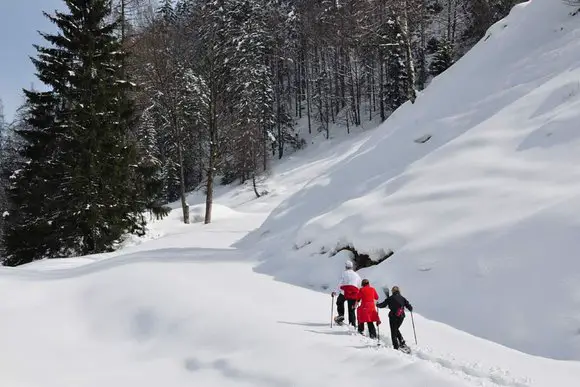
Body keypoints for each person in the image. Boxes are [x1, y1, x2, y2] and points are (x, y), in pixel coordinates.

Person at [376, 285, 413, 351]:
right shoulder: (402, 298)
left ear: (392, 291)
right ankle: (402, 343)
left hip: (393, 317)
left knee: (393, 331)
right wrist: (410, 308)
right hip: (401, 316)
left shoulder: (390, 298)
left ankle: (396, 347)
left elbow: (383, 305)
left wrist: (377, 305)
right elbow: (409, 306)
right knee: (396, 329)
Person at [331, 260, 361, 326]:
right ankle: (352, 324)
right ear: (352, 267)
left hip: (344, 292)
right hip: (353, 294)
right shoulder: (356, 275)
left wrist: (335, 292)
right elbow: (359, 285)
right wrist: (359, 295)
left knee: (339, 302)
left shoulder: (344, 273)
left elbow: (340, 284)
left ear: (346, 267)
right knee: (351, 309)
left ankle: (341, 315)